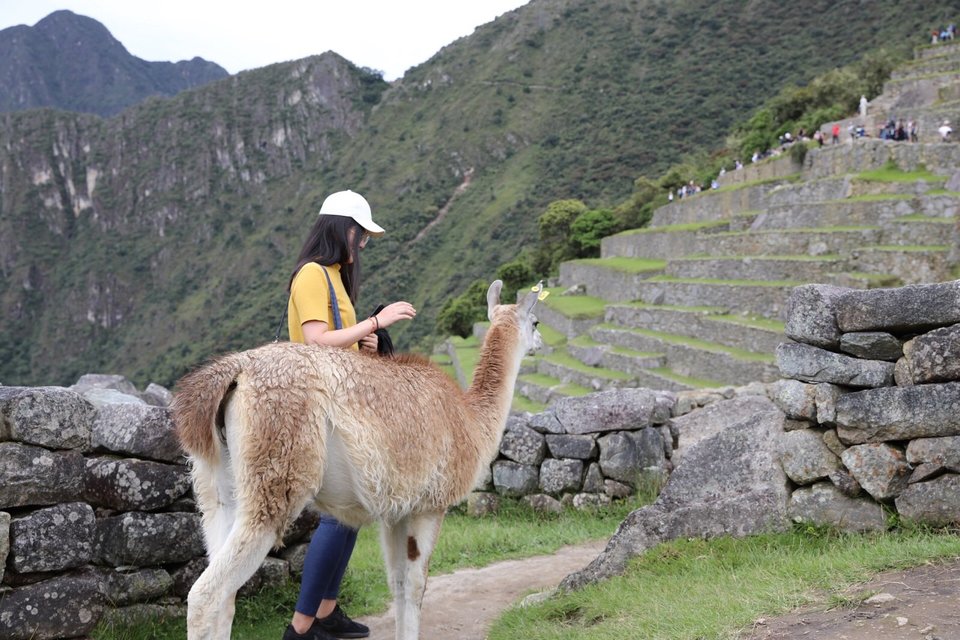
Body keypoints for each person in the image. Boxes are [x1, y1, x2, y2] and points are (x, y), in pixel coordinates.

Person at [283, 189, 417, 640]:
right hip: (320, 408)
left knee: (352, 510)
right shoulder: (311, 276)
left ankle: (325, 612)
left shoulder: (335, 277)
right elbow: (317, 340)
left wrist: (366, 343)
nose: (361, 244)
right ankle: (301, 628)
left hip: (342, 406)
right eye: (360, 234)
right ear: (343, 228)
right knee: (337, 514)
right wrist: (378, 323)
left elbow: (338, 338)